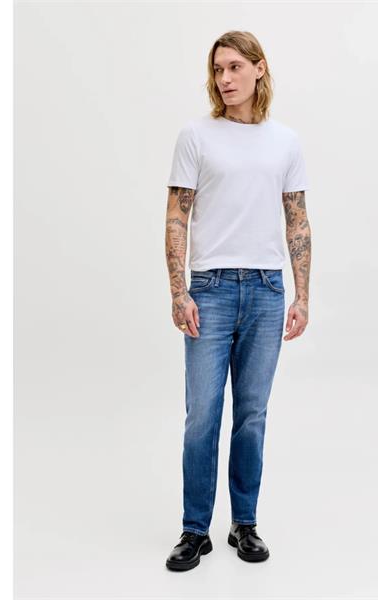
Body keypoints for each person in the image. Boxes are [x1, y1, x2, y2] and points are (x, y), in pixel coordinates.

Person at [164, 30, 312, 572]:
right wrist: (178, 290)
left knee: (251, 415)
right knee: (202, 415)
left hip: (268, 291)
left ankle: (243, 523)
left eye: (233, 67)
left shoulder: (285, 142)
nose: (224, 79)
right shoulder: (196, 136)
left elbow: (297, 220)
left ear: (259, 68)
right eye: (217, 69)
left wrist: (302, 295)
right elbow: (177, 215)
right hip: (210, 289)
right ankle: (194, 529)